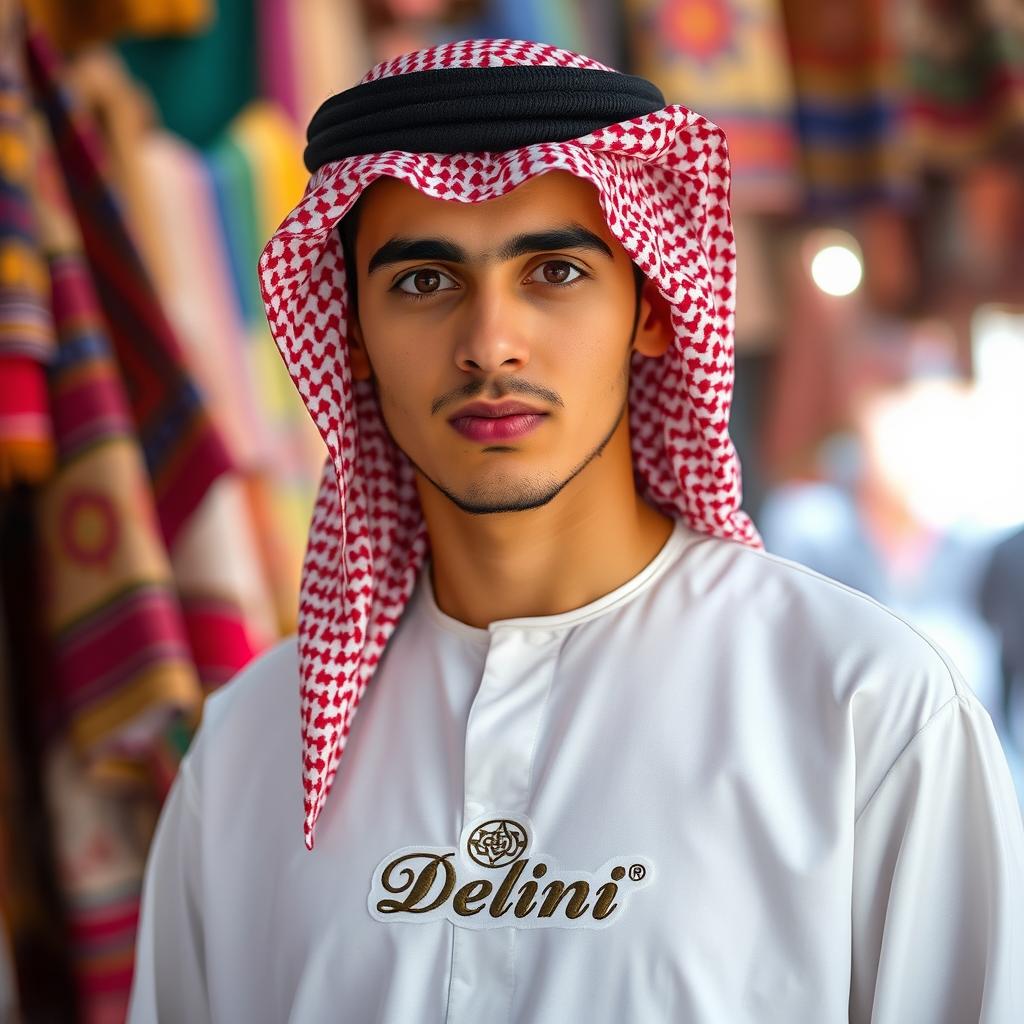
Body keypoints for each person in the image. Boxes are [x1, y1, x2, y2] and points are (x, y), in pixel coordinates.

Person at [127, 40, 1024, 1023]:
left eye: (552, 270)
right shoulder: (251, 748)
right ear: (350, 335)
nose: (489, 343)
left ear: (649, 308)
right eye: (424, 282)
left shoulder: (864, 710)